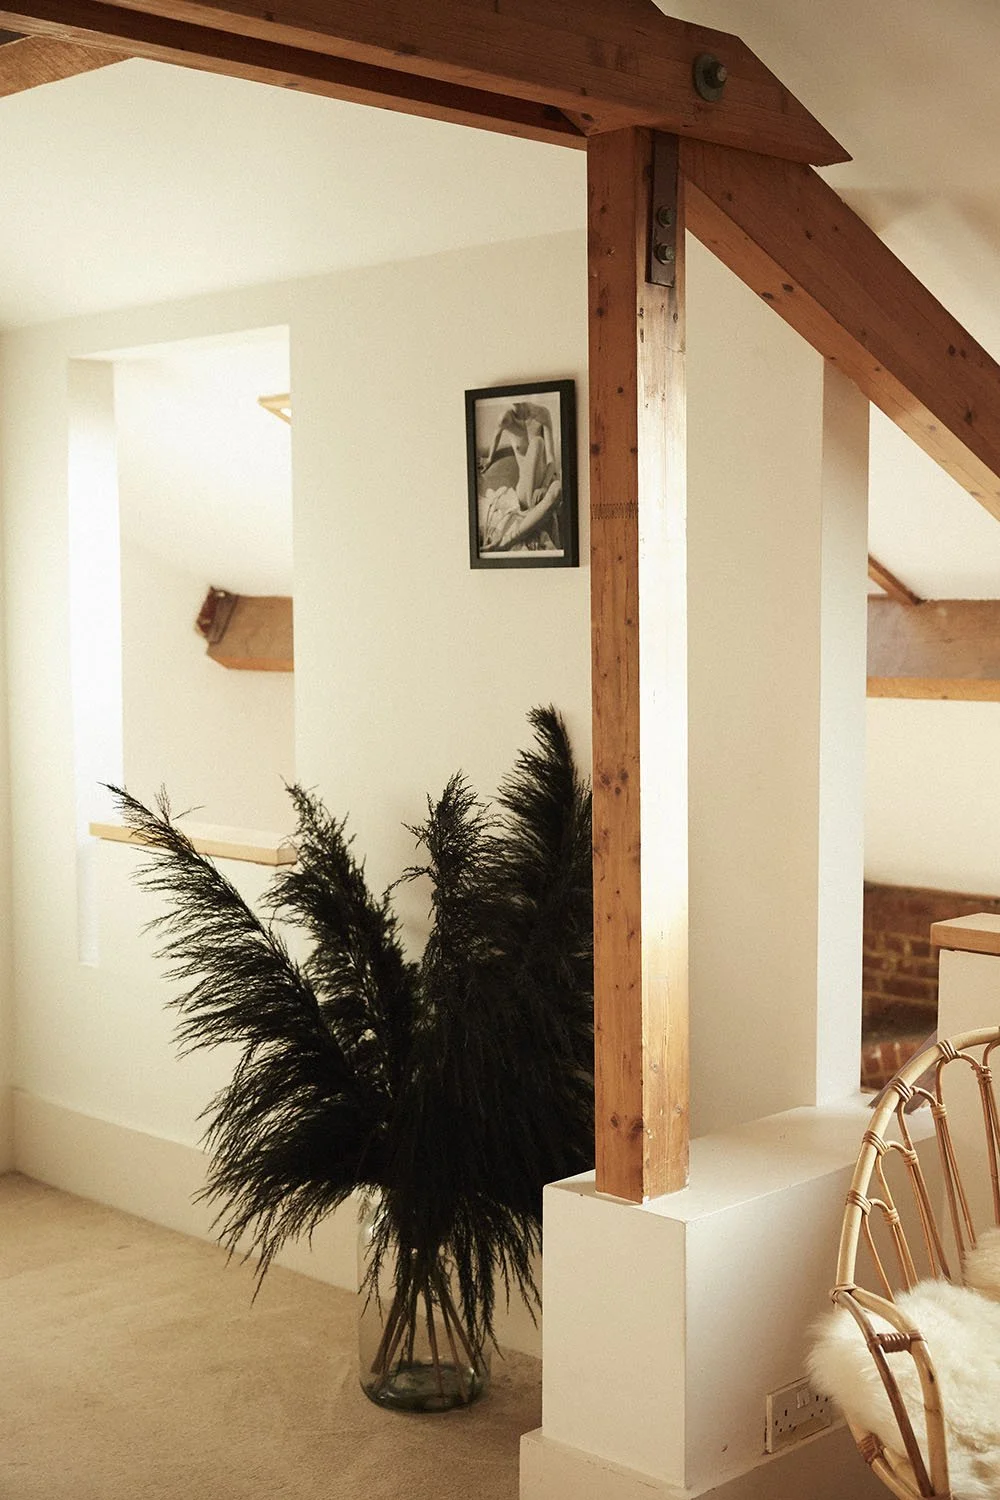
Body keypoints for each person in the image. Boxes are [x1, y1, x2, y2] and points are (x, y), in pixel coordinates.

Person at [477, 401, 562, 553]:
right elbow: (494, 441)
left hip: (542, 484)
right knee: (537, 442)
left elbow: (551, 459)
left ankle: (526, 523)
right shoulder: (505, 419)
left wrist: (543, 486)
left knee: (558, 487)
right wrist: (489, 460)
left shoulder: (543, 414)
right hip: (524, 489)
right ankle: (512, 537)